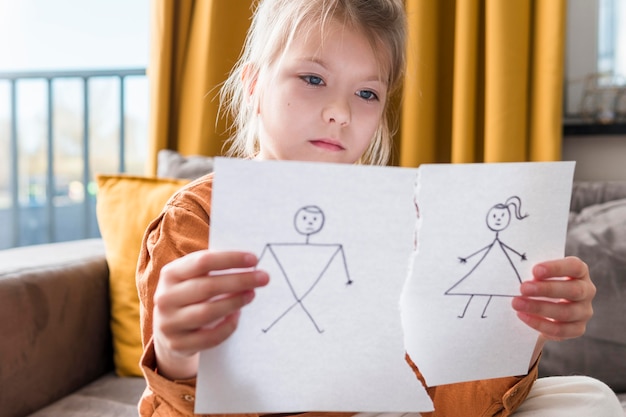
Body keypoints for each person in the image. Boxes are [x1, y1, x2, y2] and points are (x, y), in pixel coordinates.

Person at [136, 0, 623, 416]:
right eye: (312, 78)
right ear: (254, 85)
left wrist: (521, 330)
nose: (341, 113)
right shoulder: (198, 219)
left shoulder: (410, 218)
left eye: (367, 93)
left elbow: (446, 399)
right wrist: (178, 356)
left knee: (589, 397)